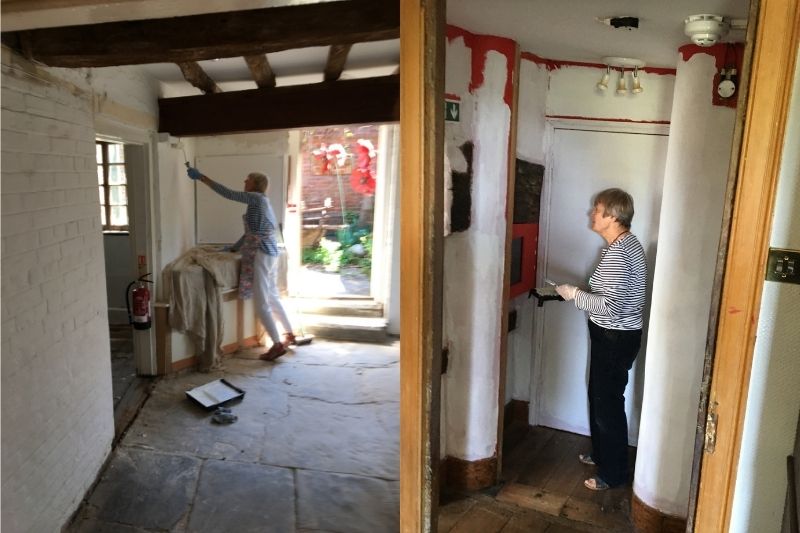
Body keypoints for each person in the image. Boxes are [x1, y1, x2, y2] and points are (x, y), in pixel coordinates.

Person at [555, 188, 647, 491]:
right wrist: (580, 294)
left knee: (607, 402)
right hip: (612, 335)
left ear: (613, 216)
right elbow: (608, 294)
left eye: (596, 209)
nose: (591, 214)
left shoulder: (621, 252)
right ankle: (602, 455)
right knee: (599, 395)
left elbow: (611, 305)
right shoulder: (618, 246)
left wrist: (574, 295)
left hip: (615, 337)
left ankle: (614, 473)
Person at [187, 166, 305, 361]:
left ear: (255, 184)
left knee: (262, 302)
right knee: (273, 296)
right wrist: (234, 247)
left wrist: (202, 178)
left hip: (262, 254)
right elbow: (251, 232)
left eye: (247, 180)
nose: (244, 182)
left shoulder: (256, 198)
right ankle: (289, 334)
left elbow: (228, 193)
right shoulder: (262, 202)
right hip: (270, 253)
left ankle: (276, 344)